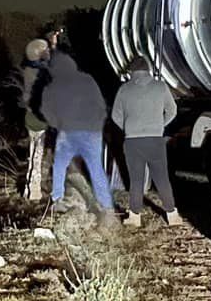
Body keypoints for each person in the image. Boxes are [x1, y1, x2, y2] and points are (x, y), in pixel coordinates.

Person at [39, 44, 115, 225]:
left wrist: (58, 125)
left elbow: (46, 112)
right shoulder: (88, 80)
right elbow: (100, 105)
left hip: (68, 132)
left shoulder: (52, 87)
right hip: (92, 132)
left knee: (60, 165)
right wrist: (98, 124)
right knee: (96, 168)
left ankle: (58, 200)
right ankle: (107, 208)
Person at [110, 57, 181, 228]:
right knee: (162, 178)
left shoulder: (124, 89)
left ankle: (135, 216)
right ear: (148, 70)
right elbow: (172, 110)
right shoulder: (160, 87)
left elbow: (115, 116)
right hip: (155, 140)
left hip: (133, 141)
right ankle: (172, 215)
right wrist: (159, 126)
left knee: (136, 179)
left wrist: (128, 128)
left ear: (132, 72)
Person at [14, 37, 53, 200]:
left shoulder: (27, 70)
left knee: (33, 151)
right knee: (38, 153)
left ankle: (29, 188)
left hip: (29, 116)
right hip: (39, 117)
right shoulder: (41, 74)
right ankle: (34, 190)